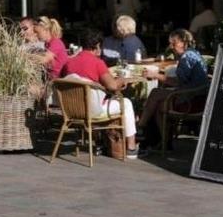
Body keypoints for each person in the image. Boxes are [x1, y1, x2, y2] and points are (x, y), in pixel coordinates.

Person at [61, 29, 139, 158]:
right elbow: (112, 86)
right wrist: (122, 80)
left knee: (107, 99)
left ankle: (101, 142)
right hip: (92, 111)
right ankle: (131, 148)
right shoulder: (97, 63)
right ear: (97, 46)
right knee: (126, 103)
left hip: (71, 110)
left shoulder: (69, 62)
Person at [139, 29, 209, 149]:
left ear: (183, 42)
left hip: (191, 99)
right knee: (160, 105)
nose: (171, 46)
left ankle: (140, 127)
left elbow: (178, 82)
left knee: (155, 93)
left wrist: (155, 75)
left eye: (174, 43)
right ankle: (165, 142)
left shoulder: (186, 57)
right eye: (170, 43)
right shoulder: (194, 53)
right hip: (198, 96)